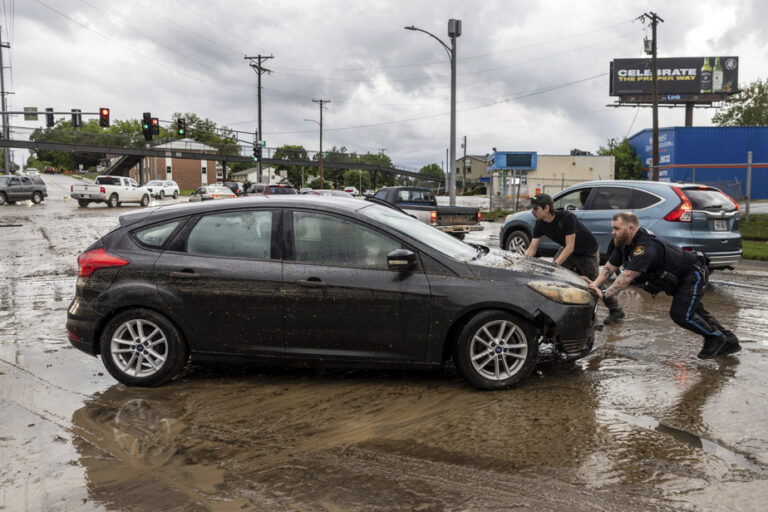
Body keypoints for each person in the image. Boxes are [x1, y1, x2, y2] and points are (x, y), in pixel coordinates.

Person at [586, 212, 740, 359]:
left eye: (616, 228)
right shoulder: (624, 243)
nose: (612, 232)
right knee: (695, 313)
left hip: (693, 274)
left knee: (682, 315)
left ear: (630, 228)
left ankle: (715, 338)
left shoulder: (644, 247)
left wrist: (605, 294)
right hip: (679, 279)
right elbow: (610, 266)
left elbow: (627, 276)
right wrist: (595, 284)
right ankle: (730, 342)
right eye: (612, 228)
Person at [524, 194, 625, 324]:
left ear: (547, 208)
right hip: (567, 250)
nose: (532, 212)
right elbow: (532, 249)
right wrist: (523, 263)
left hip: (586, 251)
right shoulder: (540, 223)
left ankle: (615, 310)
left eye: (535, 209)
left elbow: (570, 247)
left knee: (594, 283)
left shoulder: (566, 218)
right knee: (553, 278)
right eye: (531, 209)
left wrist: (554, 265)